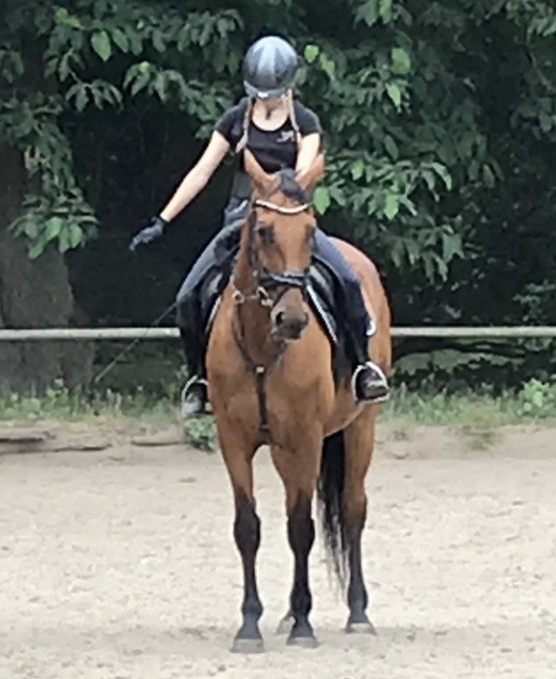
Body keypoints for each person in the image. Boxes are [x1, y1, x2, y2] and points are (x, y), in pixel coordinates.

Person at [128, 34, 391, 417]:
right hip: (242, 220)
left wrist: (284, 196)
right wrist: (163, 220)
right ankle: (200, 380)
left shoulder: (304, 122)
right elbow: (202, 171)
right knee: (188, 295)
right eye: (260, 92)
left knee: (349, 281)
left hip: (289, 220)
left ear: (289, 85)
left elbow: (303, 172)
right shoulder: (236, 120)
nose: (265, 99)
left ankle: (363, 367)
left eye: (272, 92)